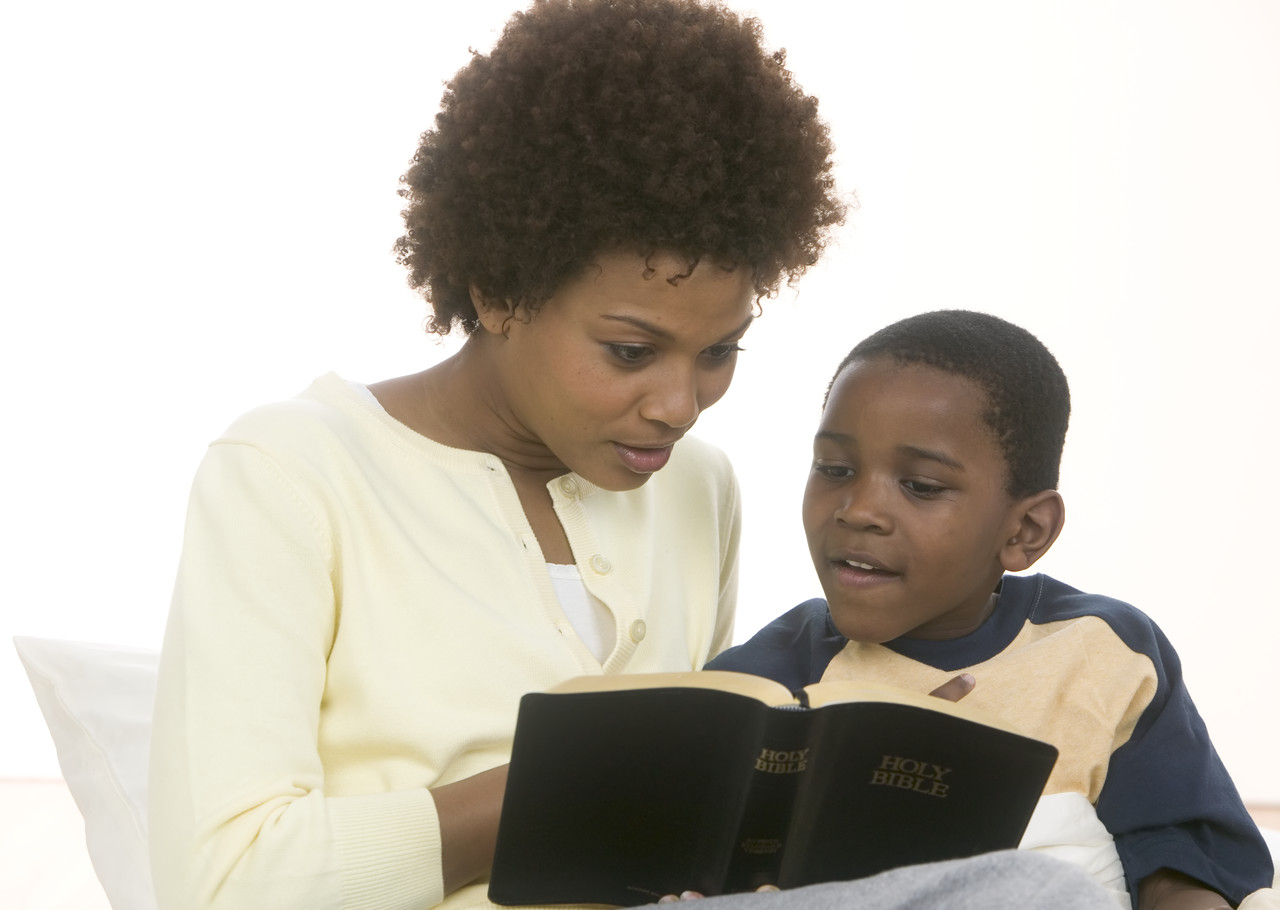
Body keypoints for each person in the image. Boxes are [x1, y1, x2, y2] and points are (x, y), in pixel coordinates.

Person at [146, 0, 845, 907]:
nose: (680, 406)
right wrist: (565, 789)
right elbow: (225, 881)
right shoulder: (292, 473)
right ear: (500, 291)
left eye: (719, 351)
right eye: (630, 352)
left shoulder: (697, 490)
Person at [707, 309, 1276, 909]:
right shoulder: (767, 682)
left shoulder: (1103, 651)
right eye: (835, 469)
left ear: (1026, 529)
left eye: (921, 486)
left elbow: (1183, 857)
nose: (858, 510)